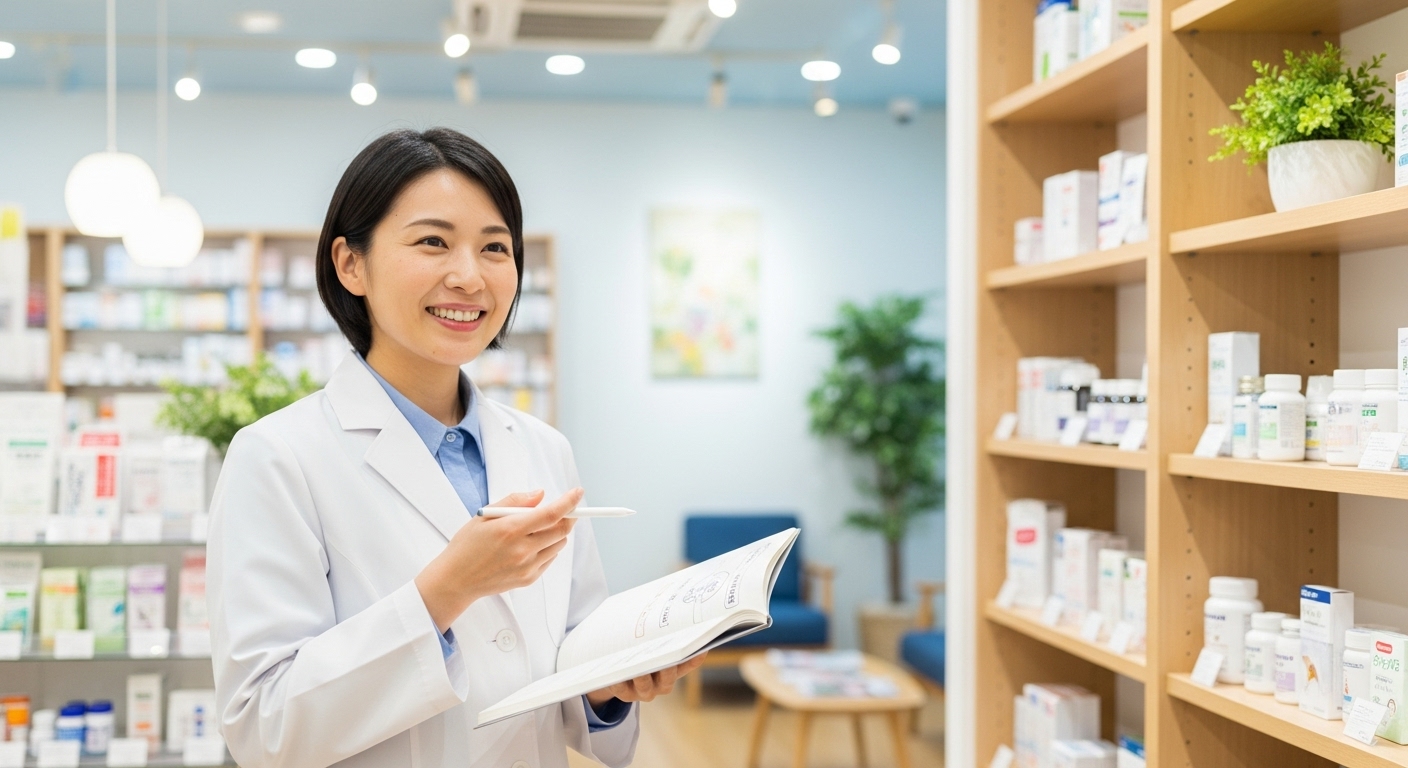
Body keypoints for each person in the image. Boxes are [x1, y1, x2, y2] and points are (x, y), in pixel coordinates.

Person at [207, 128, 704, 768]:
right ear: (349, 263)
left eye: (495, 248)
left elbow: (569, 661)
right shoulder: (275, 457)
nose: (469, 277)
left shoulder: (543, 449)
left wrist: (607, 689)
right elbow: (263, 725)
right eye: (433, 242)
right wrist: (444, 591)